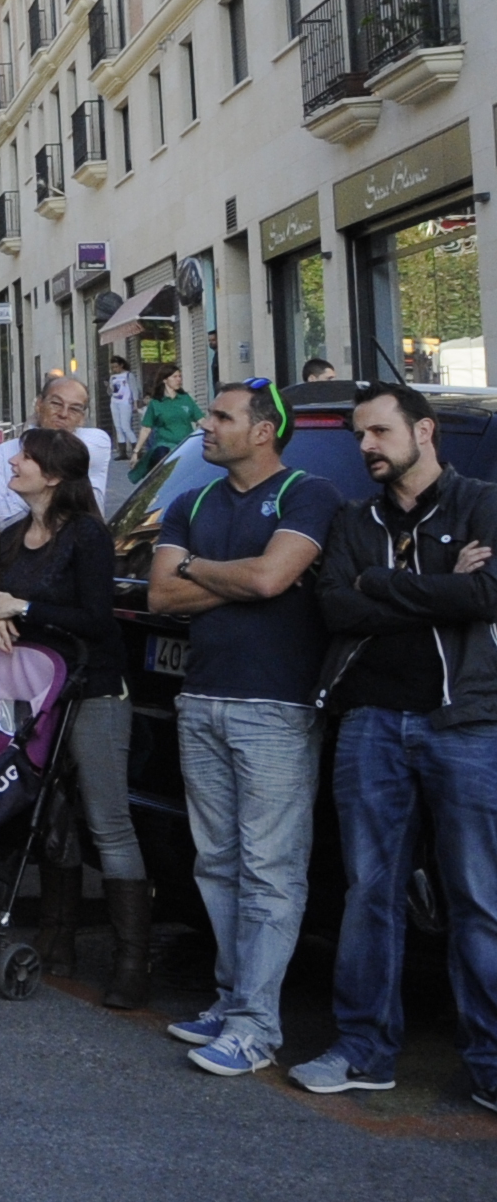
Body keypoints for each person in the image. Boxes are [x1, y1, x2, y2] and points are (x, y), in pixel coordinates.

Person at [296, 383, 497, 1107]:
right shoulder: (356, 518)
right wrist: (434, 584)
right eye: (360, 437)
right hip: (372, 723)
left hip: (465, 722)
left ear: (426, 432)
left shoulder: (482, 502)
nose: (366, 448)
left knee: (479, 899)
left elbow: (488, 596)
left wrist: (383, 584)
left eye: (379, 433)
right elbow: (338, 607)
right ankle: (364, 1048)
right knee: (369, 895)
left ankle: (491, 1063)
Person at [147, 377, 345, 1077]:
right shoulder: (190, 499)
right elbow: (161, 591)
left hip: (276, 706)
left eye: (222, 416)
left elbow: (272, 580)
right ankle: (232, 1002)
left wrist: (202, 567)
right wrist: (237, 573)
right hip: (200, 700)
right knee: (219, 862)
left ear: (263, 431)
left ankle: (257, 1027)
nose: (206, 424)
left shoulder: (308, 495)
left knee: (270, 869)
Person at [0, 426, 148, 1008]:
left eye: (25, 458)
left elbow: (97, 619)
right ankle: (57, 939)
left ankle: (131, 958)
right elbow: (6, 605)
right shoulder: (9, 537)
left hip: (94, 688)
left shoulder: (86, 536)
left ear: (52, 476)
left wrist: (19, 606)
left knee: (107, 818)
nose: (15, 462)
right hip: (36, 692)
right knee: (50, 816)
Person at [0, 375, 116, 528]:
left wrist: (26, 492)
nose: (63, 414)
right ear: (39, 404)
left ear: (82, 418)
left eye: (74, 409)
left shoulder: (95, 441)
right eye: (56, 403)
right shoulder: (2, 453)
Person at [132, 364, 201, 482]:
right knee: (162, 458)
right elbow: (146, 428)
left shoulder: (185, 399)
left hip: (185, 444)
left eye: (180, 376)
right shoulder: (156, 403)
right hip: (164, 445)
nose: (179, 379)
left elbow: (200, 419)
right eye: (174, 377)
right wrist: (136, 451)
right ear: (165, 380)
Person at [108, 353, 139, 452]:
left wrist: (135, 403)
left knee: (125, 426)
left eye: (116, 366)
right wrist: (108, 387)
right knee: (118, 426)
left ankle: (136, 448)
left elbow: (134, 389)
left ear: (121, 365)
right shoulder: (112, 377)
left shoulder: (128, 375)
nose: (114, 369)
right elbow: (111, 391)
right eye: (113, 367)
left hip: (125, 402)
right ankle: (122, 450)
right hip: (115, 401)